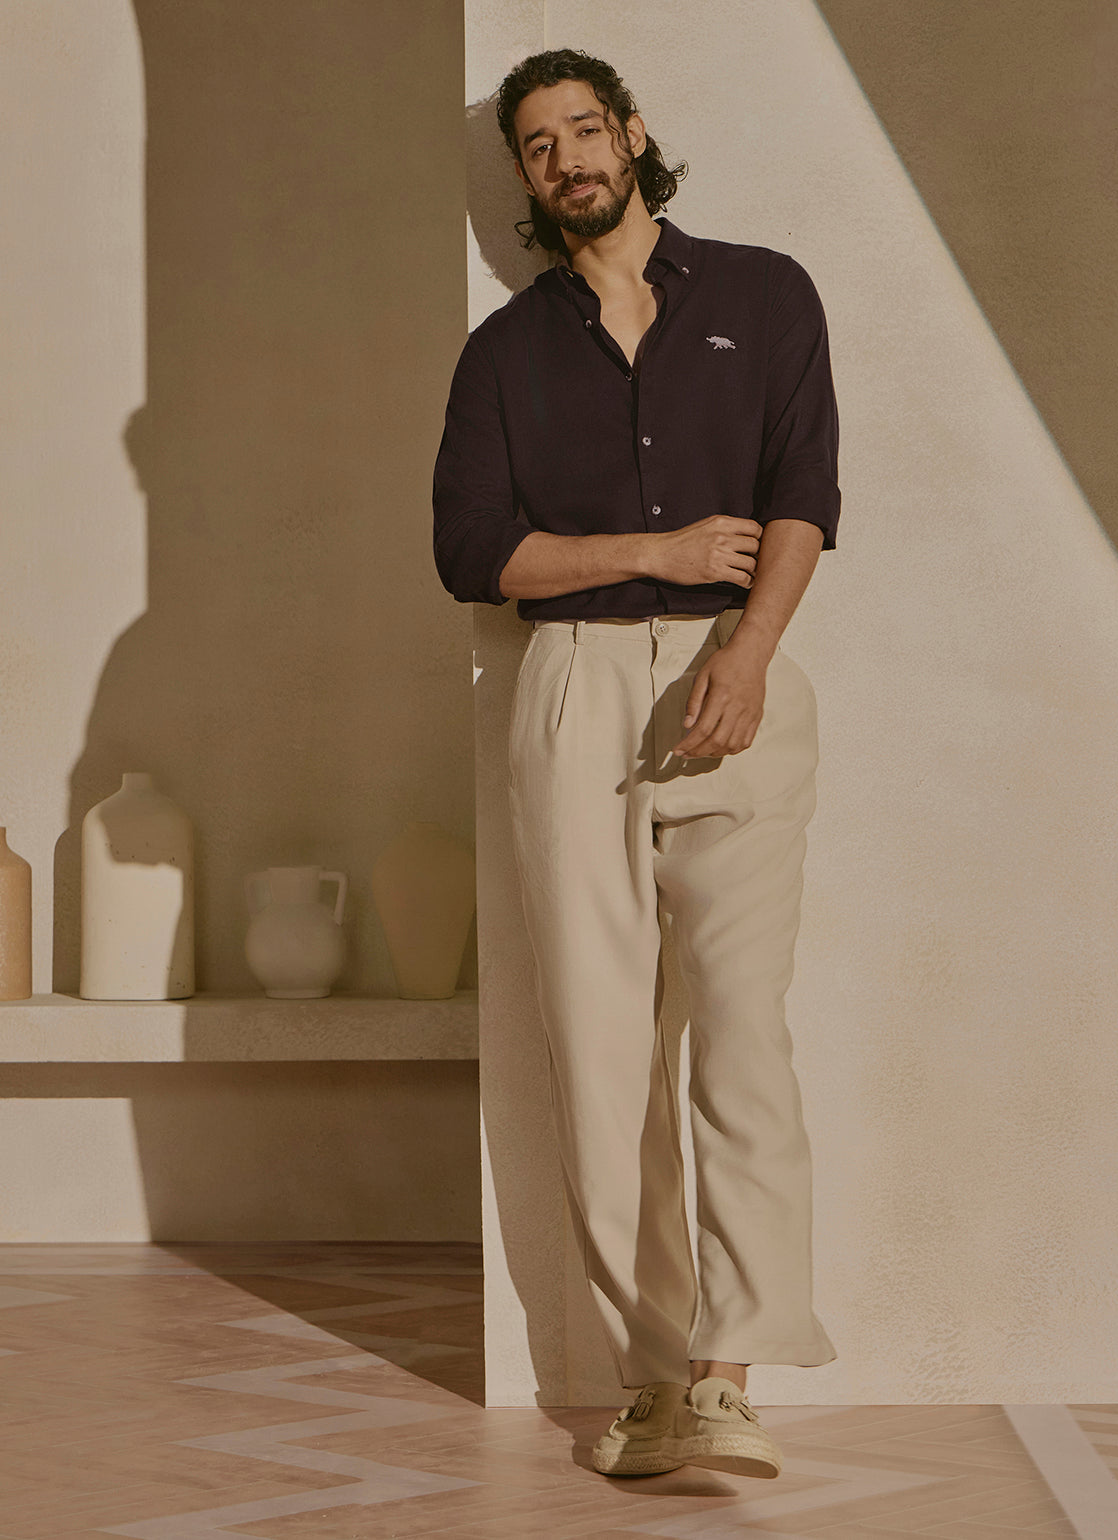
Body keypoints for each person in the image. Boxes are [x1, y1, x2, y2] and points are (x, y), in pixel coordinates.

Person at [433, 47, 841, 1479]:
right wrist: (655, 553)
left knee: (740, 1028)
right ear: (526, 175)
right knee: (600, 1048)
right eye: (539, 146)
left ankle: (730, 1375)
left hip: (735, 673)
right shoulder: (503, 353)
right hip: (573, 688)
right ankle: (655, 1382)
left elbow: (803, 494)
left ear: (633, 134)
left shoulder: (766, 296)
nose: (568, 160)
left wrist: (749, 649)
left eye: (584, 130)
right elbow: (474, 554)